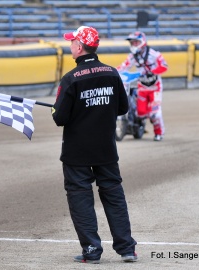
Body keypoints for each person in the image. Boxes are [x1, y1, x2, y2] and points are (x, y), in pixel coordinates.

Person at [52, 26, 137, 264]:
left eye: (72, 43)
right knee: (114, 195)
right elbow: (122, 108)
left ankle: (91, 249)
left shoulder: (71, 78)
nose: (70, 46)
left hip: (77, 152)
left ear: (79, 47)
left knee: (80, 196)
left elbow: (59, 118)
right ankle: (127, 248)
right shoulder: (112, 73)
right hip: (106, 149)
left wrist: (56, 108)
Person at [117, 31, 168, 141]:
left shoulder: (154, 54)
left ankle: (159, 132)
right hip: (142, 86)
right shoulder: (132, 57)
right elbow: (123, 67)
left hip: (155, 87)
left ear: (142, 42)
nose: (134, 45)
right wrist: (113, 72)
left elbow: (164, 65)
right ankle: (138, 126)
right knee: (140, 113)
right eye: (132, 43)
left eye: (136, 42)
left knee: (155, 114)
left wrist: (153, 71)